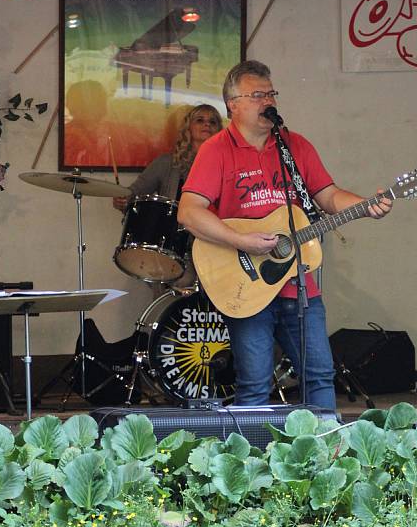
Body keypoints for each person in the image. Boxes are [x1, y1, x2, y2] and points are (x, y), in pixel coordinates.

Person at [177, 60, 393, 409]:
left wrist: (367, 204)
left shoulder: (295, 146)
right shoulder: (216, 149)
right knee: (254, 383)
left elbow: (329, 196)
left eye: (271, 93)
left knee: (319, 375)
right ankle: (249, 462)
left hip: (299, 283)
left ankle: (326, 455)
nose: (269, 101)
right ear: (233, 104)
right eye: (258, 95)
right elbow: (188, 212)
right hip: (244, 283)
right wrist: (242, 241)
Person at [113, 104, 223, 288]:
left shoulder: (226, 165)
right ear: (188, 127)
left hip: (216, 246)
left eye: (212, 121)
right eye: (200, 120)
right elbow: (134, 193)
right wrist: (123, 199)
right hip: (175, 251)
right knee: (181, 281)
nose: (207, 125)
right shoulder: (166, 163)